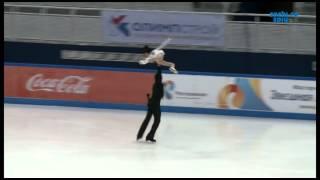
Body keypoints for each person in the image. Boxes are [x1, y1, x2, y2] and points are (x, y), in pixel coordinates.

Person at [136, 66, 164, 142]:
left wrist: (159, 68)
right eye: (161, 77)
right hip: (155, 105)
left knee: (147, 120)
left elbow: (159, 76)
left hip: (151, 103)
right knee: (157, 121)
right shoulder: (159, 85)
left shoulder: (155, 84)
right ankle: (150, 136)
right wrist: (159, 67)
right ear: (160, 78)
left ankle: (139, 135)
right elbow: (161, 95)